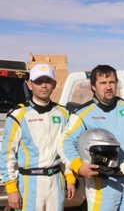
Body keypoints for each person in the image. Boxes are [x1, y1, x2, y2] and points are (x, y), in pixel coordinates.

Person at [58, 65, 124, 211]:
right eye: (103, 83)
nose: (108, 87)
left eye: (112, 82)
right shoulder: (82, 114)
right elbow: (65, 142)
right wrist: (78, 167)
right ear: (93, 86)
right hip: (102, 184)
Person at [0, 64, 76, 211]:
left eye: (48, 81)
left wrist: (70, 178)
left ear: (54, 84)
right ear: (29, 84)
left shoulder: (63, 114)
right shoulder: (18, 116)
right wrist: (11, 188)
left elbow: (68, 148)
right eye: (38, 81)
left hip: (56, 180)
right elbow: (7, 155)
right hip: (30, 182)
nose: (44, 85)